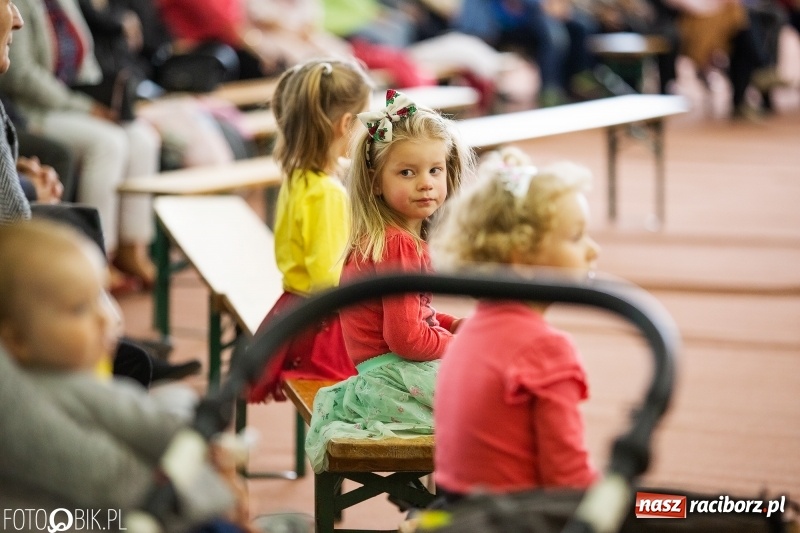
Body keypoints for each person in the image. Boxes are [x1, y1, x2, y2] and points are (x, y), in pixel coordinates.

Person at [0, 219, 244, 529]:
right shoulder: (76, 392)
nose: (104, 318)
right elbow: (158, 429)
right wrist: (214, 467)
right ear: (16, 339)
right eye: (78, 308)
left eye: (100, 296)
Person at [303, 90, 475, 474]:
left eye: (435, 170)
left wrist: (451, 325)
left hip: (387, 374)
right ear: (375, 182)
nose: (426, 183)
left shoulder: (389, 236)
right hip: (394, 380)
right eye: (407, 172)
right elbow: (407, 339)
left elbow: (415, 312)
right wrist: (464, 345)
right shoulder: (398, 244)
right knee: (499, 394)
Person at [428, 148, 600, 503]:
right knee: (678, 511)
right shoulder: (544, 348)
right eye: (576, 236)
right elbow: (570, 483)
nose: (592, 250)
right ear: (521, 256)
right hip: (516, 521)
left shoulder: (471, 332)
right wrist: (648, 507)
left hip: (460, 516)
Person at [0, 0, 163, 291]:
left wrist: (100, 101)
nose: (16, 20)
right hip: (39, 110)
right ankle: (99, 256)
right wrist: (84, 107)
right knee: (107, 144)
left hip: (76, 102)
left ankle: (131, 247)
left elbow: (85, 58)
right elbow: (23, 78)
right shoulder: (19, 3)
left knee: (142, 138)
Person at [247, 58, 373, 404]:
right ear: (346, 124)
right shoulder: (328, 193)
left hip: (294, 306)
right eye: (367, 121)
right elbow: (327, 279)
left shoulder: (300, 175)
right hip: (324, 325)